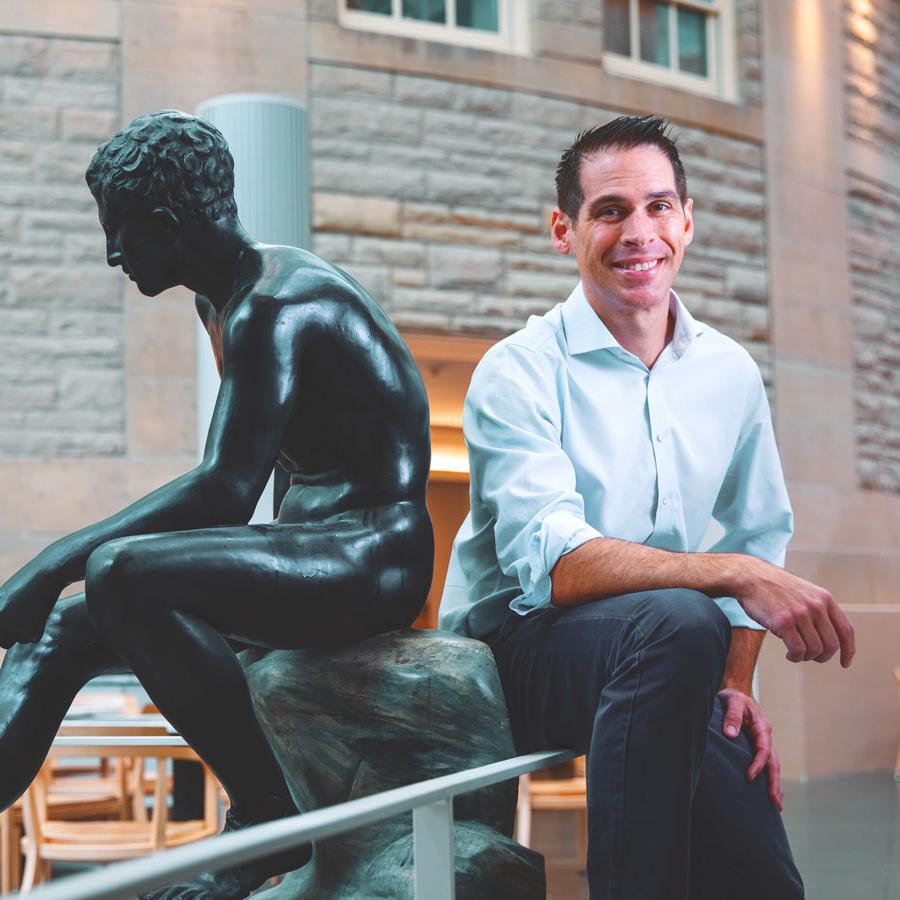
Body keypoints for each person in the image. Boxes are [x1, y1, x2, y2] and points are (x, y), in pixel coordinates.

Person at [0, 110, 434, 899]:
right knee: (59, 627)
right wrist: (244, 585)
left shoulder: (276, 302)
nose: (112, 254)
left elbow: (225, 491)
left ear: (167, 225)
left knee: (119, 572)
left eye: (119, 231)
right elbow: (266, 473)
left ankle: (266, 814)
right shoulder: (220, 303)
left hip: (376, 552)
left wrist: (47, 565)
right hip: (317, 546)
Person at [439, 115, 855, 900]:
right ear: (563, 230)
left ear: (687, 221)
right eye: (610, 211)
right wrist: (733, 575)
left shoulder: (730, 373)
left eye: (659, 207)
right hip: (517, 651)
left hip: (667, 650)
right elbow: (558, 565)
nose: (640, 233)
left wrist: (737, 683)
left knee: (765, 881)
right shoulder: (518, 370)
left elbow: (760, 529)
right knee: (680, 618)